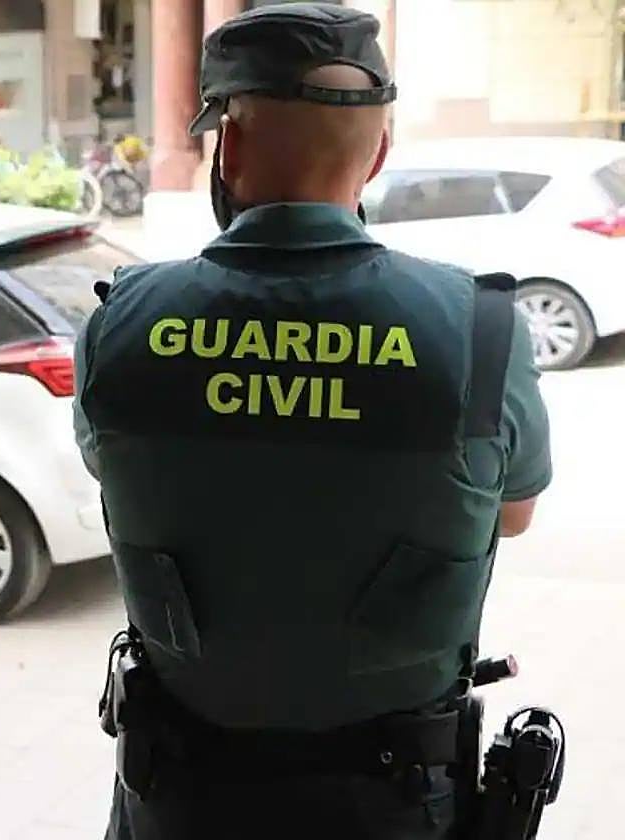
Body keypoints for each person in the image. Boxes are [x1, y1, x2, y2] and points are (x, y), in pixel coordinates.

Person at [73, 4, 552, 838]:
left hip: (183, 800)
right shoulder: (481, 333)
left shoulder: (123, 325)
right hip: (395, 805)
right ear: (379, 153)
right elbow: (511, 513)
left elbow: (112, 469)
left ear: (229, 144)